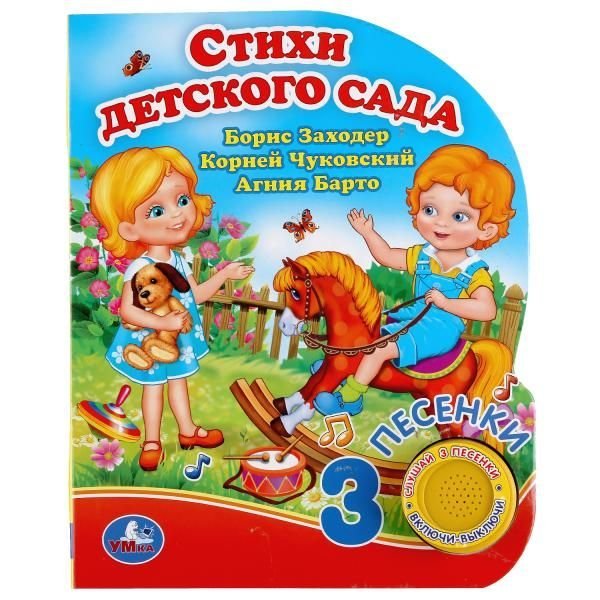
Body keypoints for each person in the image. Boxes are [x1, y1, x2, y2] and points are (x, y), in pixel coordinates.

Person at [314, 144, 516, 416]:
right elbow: (387, 256)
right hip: (412, 317)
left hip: (438, 330)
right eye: (430, 210)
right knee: (366, 329)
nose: (441, 223)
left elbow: (487, 309)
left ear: (486, 229)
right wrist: (368, 233)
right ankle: (338, 368)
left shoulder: (473, 271)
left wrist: (446, 303)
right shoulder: (423, 256)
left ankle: (349, 399)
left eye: (459, 216)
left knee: (379, 349)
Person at [91, 146, 254, 469]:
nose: (177, 214)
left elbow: (196, 296)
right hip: (148, 342)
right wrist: (163, 324)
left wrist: (224, 274)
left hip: (178, 340)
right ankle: (152, 441)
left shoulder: (179, 259)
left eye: (182, 200)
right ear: (128, 229)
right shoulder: (140, 266)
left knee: (179, 382)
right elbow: (128, 311)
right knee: (153, 388)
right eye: (156, 210)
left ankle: (188, 430)